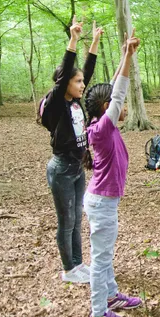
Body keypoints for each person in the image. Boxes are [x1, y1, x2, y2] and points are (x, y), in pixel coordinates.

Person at [83, 30, 142, 317]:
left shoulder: (99, 123)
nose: (124, 106)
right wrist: (128, 57)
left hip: (102, 200)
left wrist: (124, 56)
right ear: (107, 109)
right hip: (102, 203)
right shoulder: (103, 128)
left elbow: (112, 92)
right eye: (116, 105)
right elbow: (117, 92)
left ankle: (110, 296)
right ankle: (99, 315)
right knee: (101, 258)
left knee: (104, 255)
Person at [38, 17, 102, 284]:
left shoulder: (76, 102)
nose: (82, 85)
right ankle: (69, 269)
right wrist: (73, 40)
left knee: (77, 219)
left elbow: (84, 73)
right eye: (76, 82)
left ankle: (77, 264)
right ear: (64, 84)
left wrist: (94, 44)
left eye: (80, 82)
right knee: (66, 222)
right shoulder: (57, 104)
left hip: (76, 167)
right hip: (62, 168)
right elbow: (67, 72)